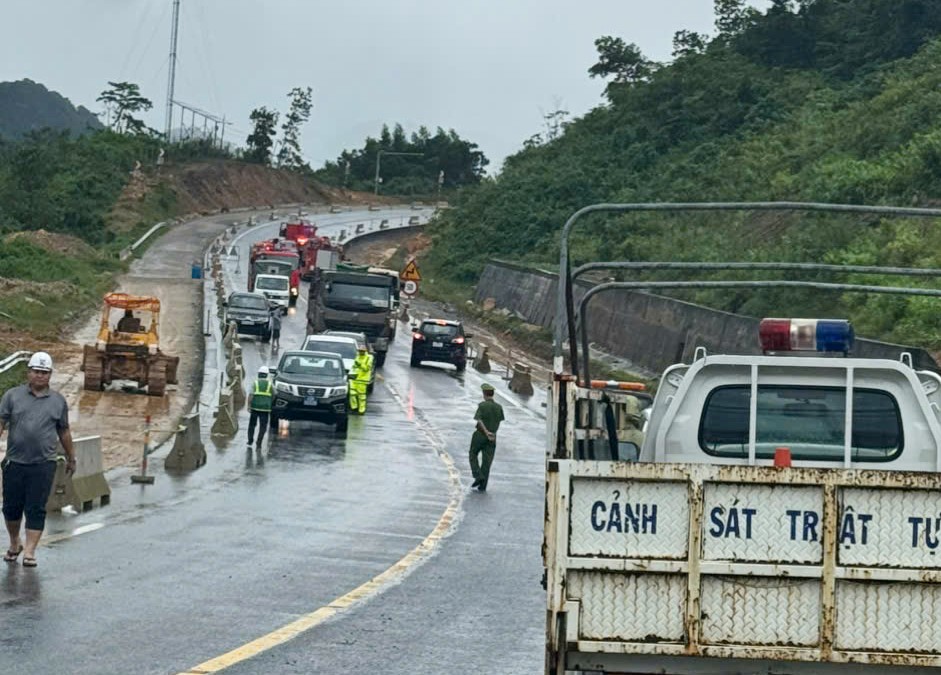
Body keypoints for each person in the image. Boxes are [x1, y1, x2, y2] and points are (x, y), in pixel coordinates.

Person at [1, 351, 74, 568]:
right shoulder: (12, 396)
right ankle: (15, 542)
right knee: (11, 508)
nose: (40, 376)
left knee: (36, 508)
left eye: (44, 372)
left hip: (43, 464)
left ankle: (30, 551)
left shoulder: (58, 401)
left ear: (50, 375)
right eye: (36, 371)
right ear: (28, 373)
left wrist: (71, 457)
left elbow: (64, 431)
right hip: (15, 462)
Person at [469, 383, 505, 492]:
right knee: (487, 461)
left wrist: (486, 432)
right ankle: (483, 486)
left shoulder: (482, 406)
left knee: (473, 454)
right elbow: (499, 421)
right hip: (492, 437)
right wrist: (493, 433)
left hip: (480, 434)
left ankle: (478, 475)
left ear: (484, 394)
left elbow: (479, 420)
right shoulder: (499, 407)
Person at [247, 365, 273, 447]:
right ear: (267, 375)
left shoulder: (255, 383)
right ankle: (259, 442)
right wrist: (269, 401)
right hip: (265, 409)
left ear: (259, 374)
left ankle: (250, 440)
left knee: (252, 425)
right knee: (263, 427)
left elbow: (251, 395)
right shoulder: (270, 384)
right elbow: (275, 394)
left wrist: (249, 405)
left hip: (255, 407)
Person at [348, 346, 373, 415]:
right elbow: (354, 367)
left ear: (365, 351)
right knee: (352, 394)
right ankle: (354, 408)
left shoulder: (369, 358)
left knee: (361, 396)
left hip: (362, 380)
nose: (361, 352)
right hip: (354, 378)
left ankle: (361, 410)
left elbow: (366, 369)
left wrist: (360, 364)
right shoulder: (357, 356)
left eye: (362, 351)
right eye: (360, 351)